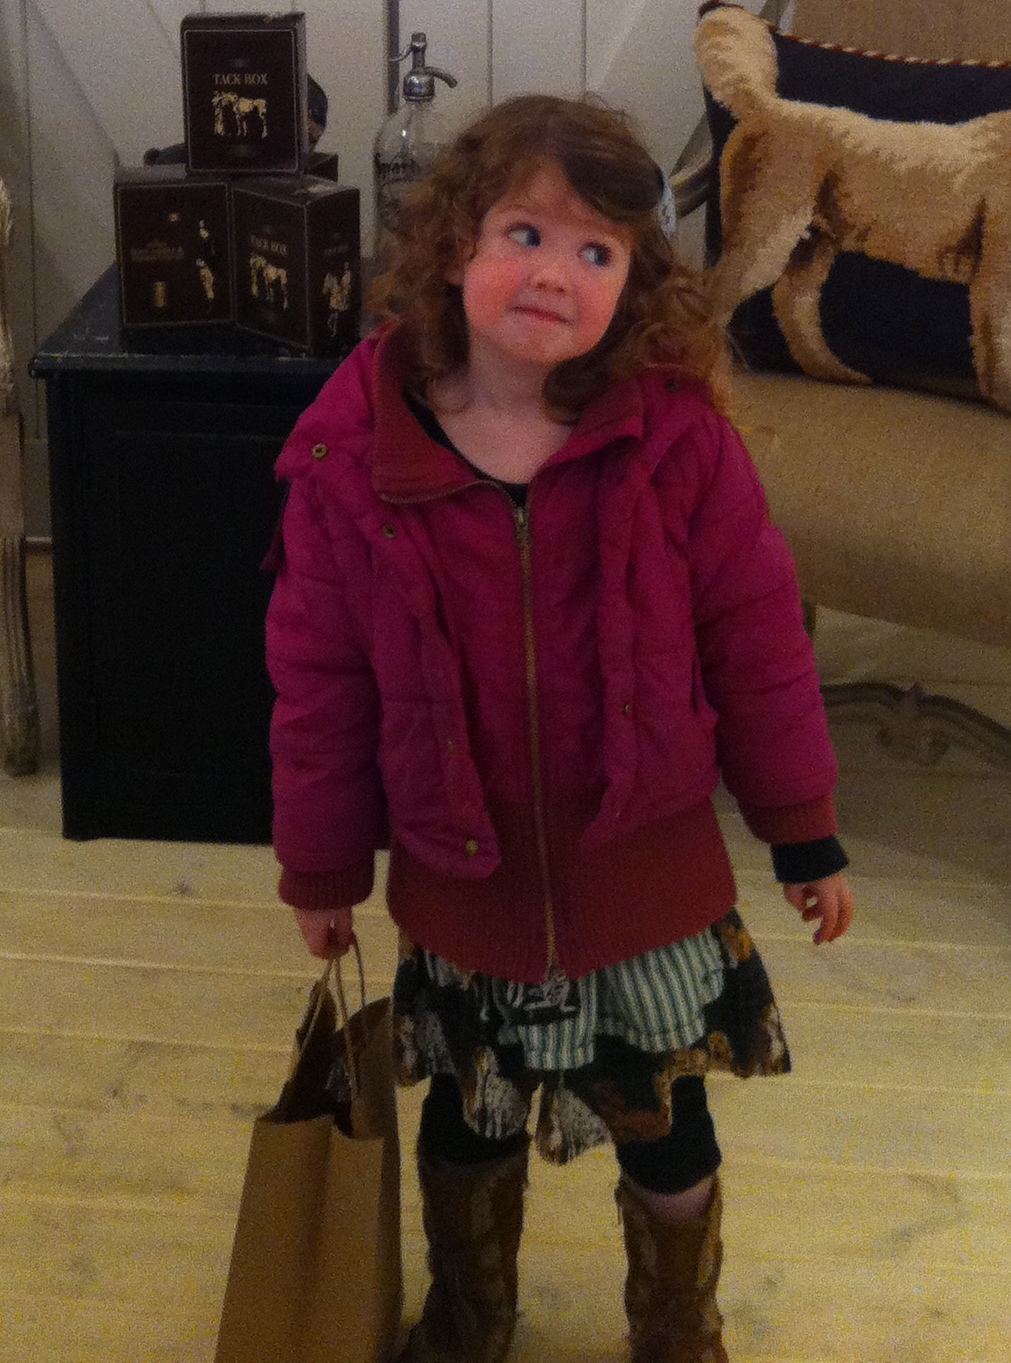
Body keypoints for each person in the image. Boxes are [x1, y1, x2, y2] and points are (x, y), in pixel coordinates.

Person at [265, 94, 852, 1363]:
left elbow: (758, 644)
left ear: (634, 282)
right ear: (454, 244)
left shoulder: (678, 444)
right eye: (526, 234)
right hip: (464, 881)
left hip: (645, 884)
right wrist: (320, 867)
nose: (555, 273)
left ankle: (677, 1326)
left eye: (597, 251)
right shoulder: (349, 462)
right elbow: (319, 685)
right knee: (467, 1125)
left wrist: (802, 831)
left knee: (667, 1130)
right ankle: (469, 1317)